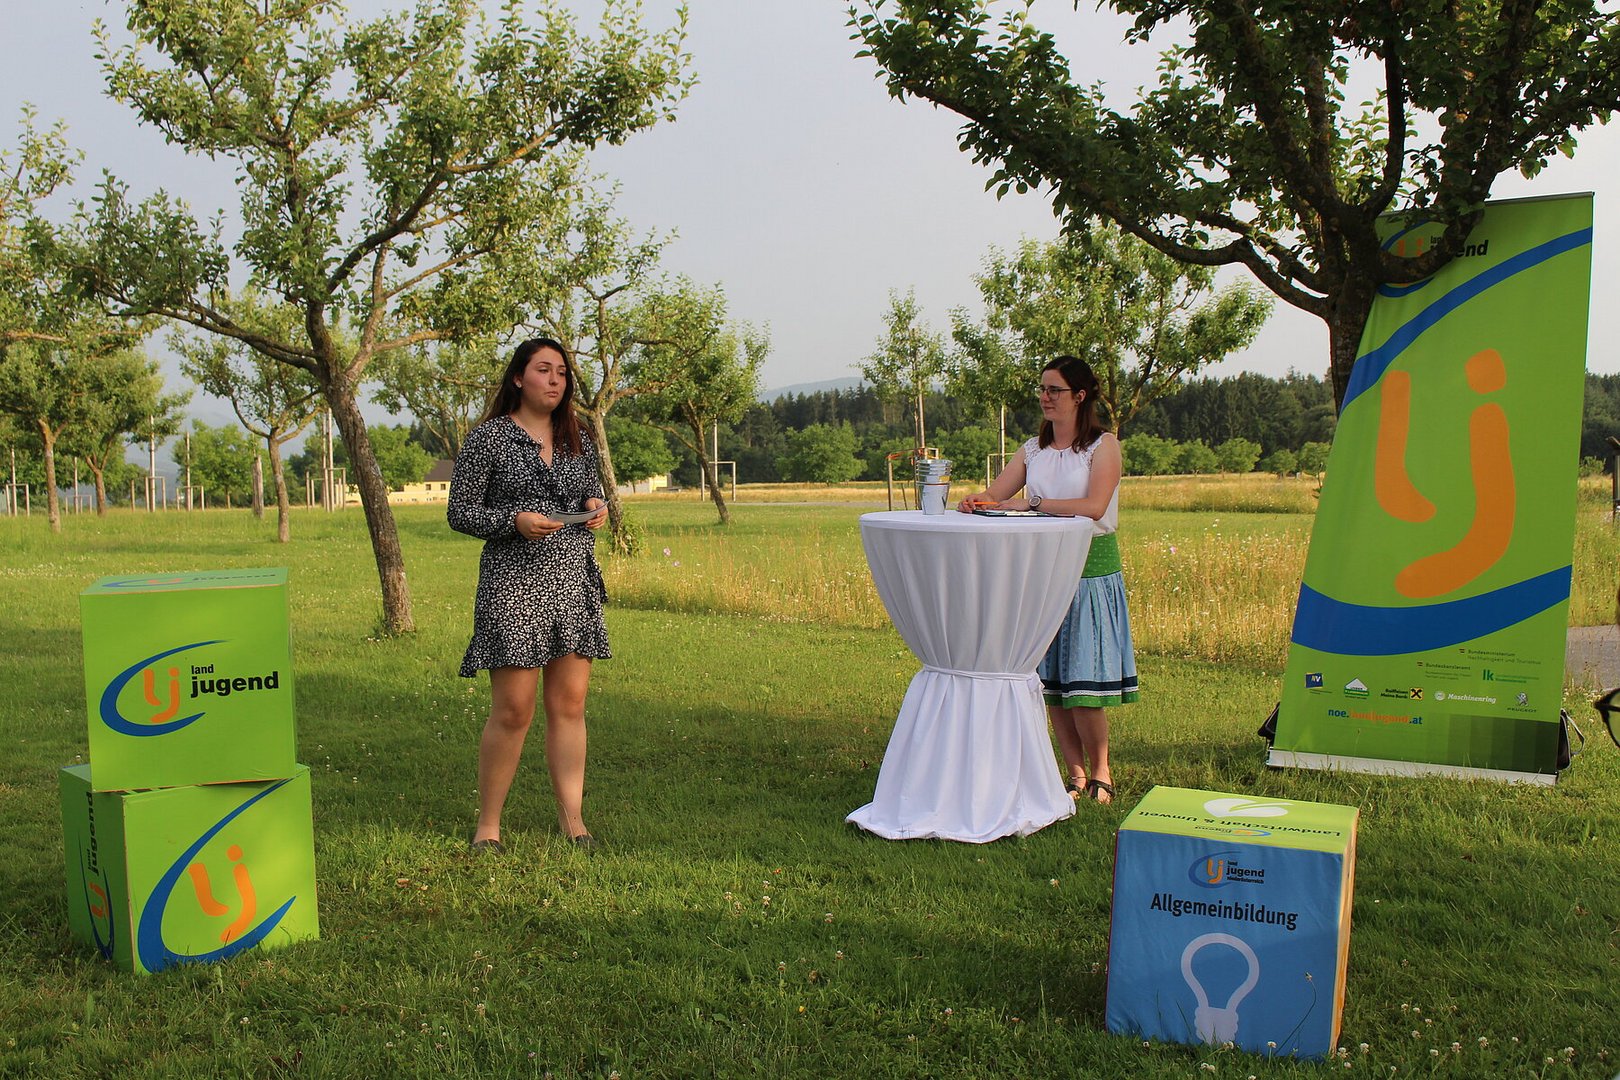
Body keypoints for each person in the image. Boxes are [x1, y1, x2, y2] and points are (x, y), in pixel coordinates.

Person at [448, 337, 610, 852]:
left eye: (562, 371)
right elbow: (460, 512)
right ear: (519, 378)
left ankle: (574, 821)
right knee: (514, 710)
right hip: (513, 584)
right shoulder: (489, 438)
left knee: (570, 705)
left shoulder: (577, 435)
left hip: (572, 581)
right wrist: (513, 521)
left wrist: (595, 505)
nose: (555, 379)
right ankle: (489, 826)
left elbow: (589, 490)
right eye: (544, 369)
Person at [957, 355, 1138, 804]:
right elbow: (998, 494)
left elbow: (1094, 507)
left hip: (1089, 571)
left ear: (1080, 396)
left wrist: (1032, 504)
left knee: (1084, 683)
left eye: (1054, 390)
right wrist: (977, 500)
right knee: (1052, 681)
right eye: (1042, 389)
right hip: (1041, 572)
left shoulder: (1103, 447)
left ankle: (1102, 772)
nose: (1045, 397)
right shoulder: (1033, 450)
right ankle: (1074, 774)